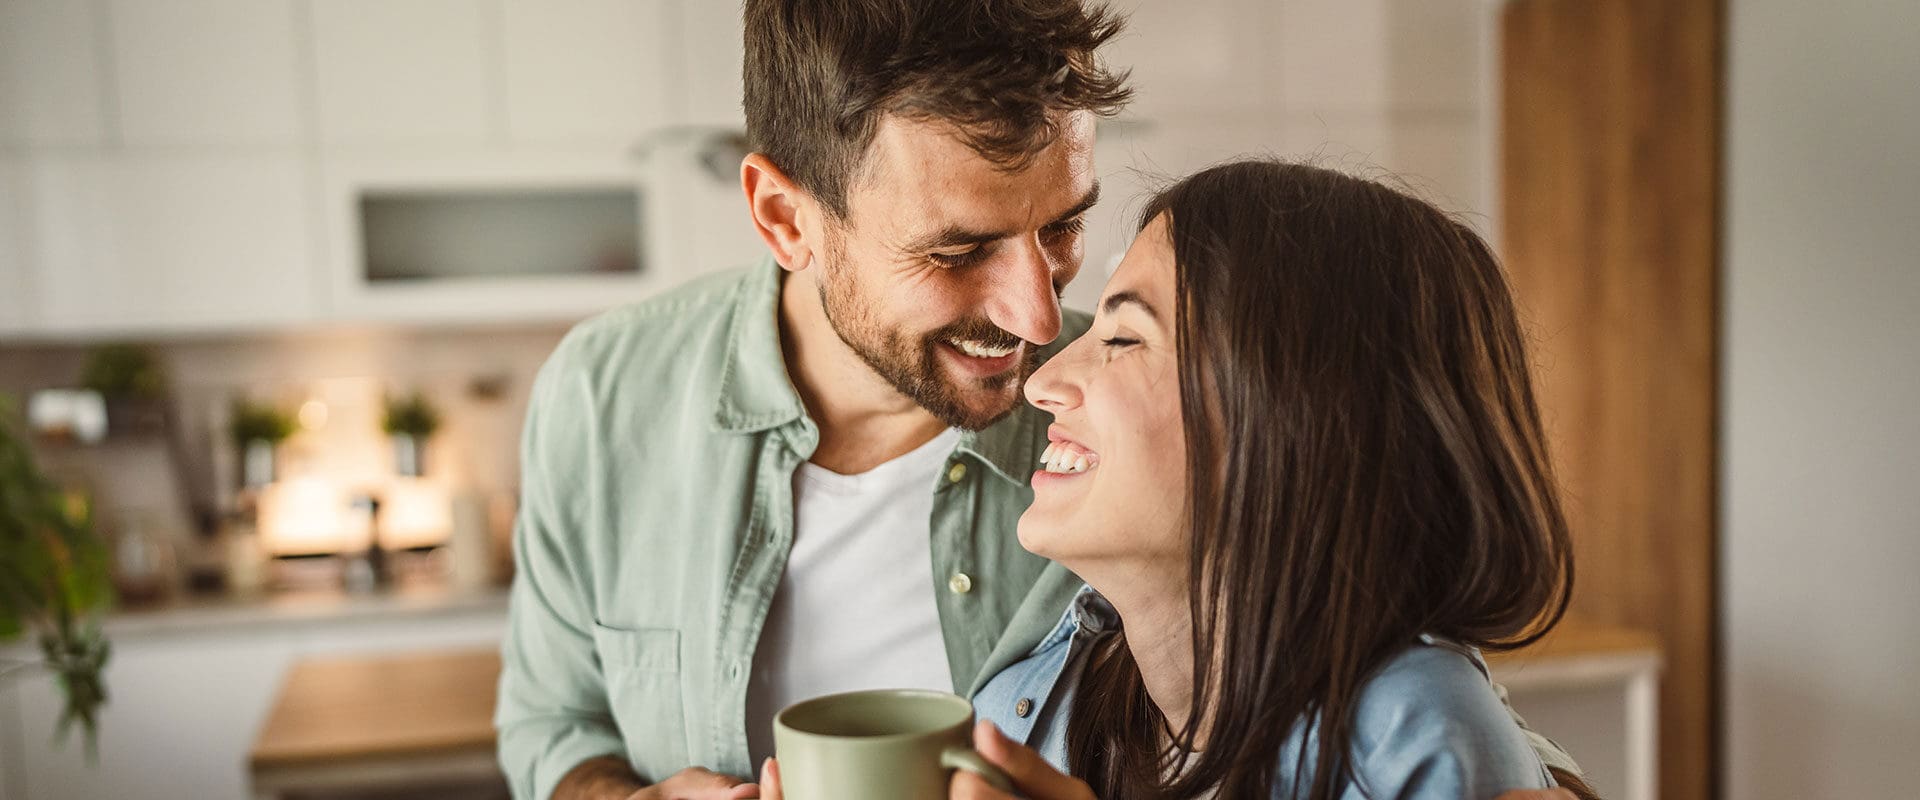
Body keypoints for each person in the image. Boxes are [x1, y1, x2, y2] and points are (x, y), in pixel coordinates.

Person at [494, 0, 1592, 797]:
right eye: (959, 248)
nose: (1034, 323)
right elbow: (552, 725)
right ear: (786, 218)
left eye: (1063, 225)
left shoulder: (1142, 436)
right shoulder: (606, 397)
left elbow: (1392, 689)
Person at [759, 159, 1587, 799]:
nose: (1043, 381)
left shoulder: (1413, 736)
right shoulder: (1036, 703)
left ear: (1292, 418)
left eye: (1122, 339)